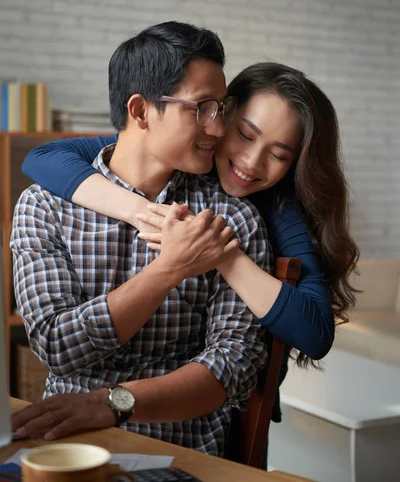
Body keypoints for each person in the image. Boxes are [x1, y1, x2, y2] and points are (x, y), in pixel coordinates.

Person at [11, 21, 273, 457]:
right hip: (66, 446)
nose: (216, 128)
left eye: (221, 108)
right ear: (140, 111)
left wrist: (114, 403)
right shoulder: (45, 206)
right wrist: (170, 269)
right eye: (202, 108)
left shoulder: (230, 217)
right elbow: (56, 345)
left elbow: (235, 366)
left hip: (182, 453)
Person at [22, 62, 359, 371]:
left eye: (278, 154)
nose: (252, 162)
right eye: (244, 134)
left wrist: (216, 250)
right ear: (220, 115)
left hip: (224, 409)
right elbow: (42, 157)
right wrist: (147, 214)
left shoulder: (277, 208)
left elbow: (315, 334)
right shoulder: (174, 157)